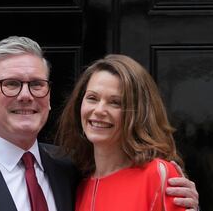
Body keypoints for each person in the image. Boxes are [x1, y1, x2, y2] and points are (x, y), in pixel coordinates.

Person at [0, 36, 198, 211]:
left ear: (48, 95)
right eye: (11, 84)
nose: (26, 96)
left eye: (36, 84)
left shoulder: (71, 168)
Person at [55, 54, 199, 211]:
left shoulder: (157, 175)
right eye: (92, 98)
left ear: (138, 112)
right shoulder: (79, 185)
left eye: (115, 102)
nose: (99, 110)